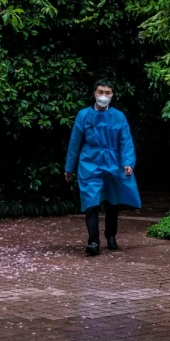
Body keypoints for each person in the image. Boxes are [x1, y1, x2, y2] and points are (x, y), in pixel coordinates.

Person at [64, 79, 141, 256]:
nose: (103, 96)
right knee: (91, 201)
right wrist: (70, 167)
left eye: (107, 92)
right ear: (94, 94)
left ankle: (111, 236)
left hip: (113, 162)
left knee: (112, 201)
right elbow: (75, 143)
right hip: (90, 162)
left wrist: (128, 162)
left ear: (112, 95)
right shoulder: (83, 115)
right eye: (100, 92)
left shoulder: (118, 116)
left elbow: (126, 141)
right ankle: (93, 241)